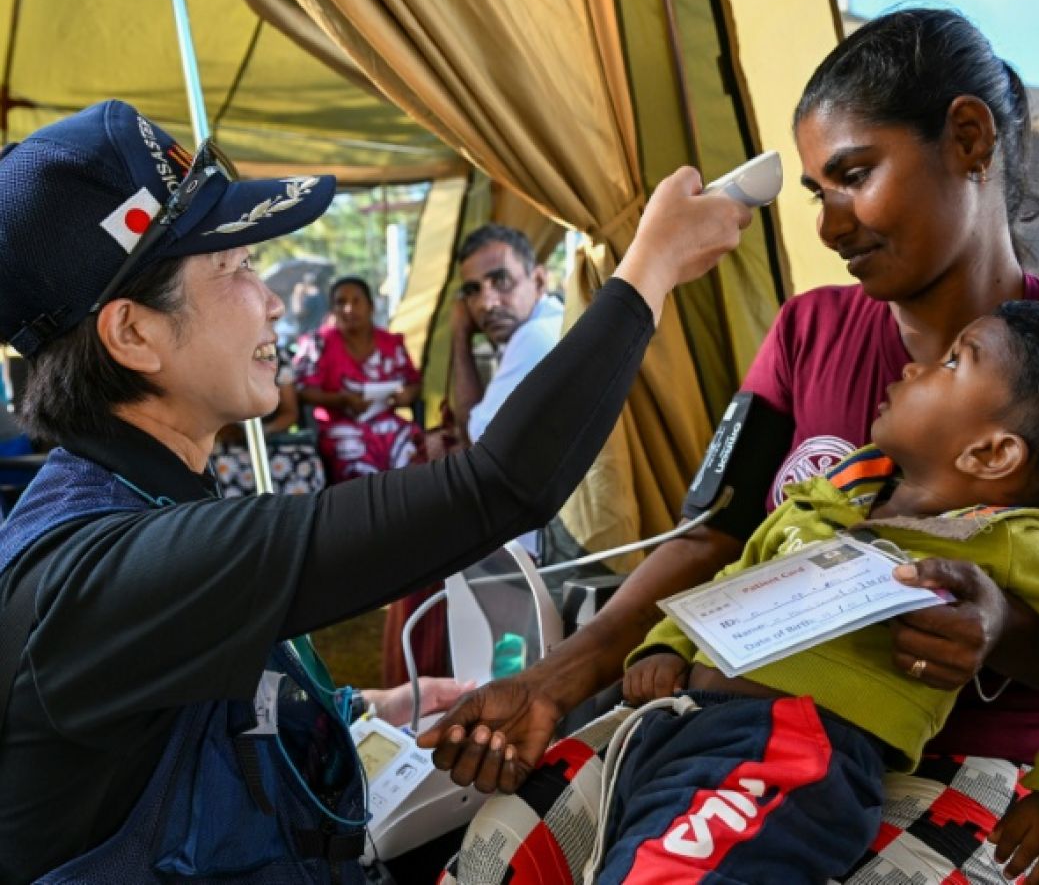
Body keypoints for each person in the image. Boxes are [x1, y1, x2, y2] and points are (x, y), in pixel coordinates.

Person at [419, 6, 1039, 869]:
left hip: (971, 760)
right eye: (818, 193)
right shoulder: (806, 332)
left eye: (855, 175)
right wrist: (552, 681)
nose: (830, 228)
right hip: (723, 723)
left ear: (969, 140)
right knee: (497, 847)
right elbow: (712, 538)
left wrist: (997, 623)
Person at [0, 99, 750, 882]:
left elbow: (169, 717)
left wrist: (361, 711)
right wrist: (651, 266)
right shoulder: (101, 570)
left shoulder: (139, 494)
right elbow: (497, 485)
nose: (272, 298)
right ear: (132, 335)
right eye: (233, 267)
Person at [606, 301, 1039, 884]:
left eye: (952, 363)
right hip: (674, 724)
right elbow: (743, 573)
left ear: (991, 453)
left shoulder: (1005, 541)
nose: (913, 368)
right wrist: (667, 643)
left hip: (792, 753)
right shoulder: (841, 488)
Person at [443, 224, 565, 558]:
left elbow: (476, 446)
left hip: (551, 550)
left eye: (501, 281)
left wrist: (459, 337)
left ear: (539, 281)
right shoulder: (552, 320)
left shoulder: (537, 335)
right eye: (472, 290)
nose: (486, 303)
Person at [294, 275, 427, 483]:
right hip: (340, 428)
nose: (349, 309)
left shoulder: (391, 343)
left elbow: (414, 382)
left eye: (356, 301)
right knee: (359, 469)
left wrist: (408, 394)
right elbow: (302, 390)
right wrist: (341, 400)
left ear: (371, 307)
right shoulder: (318, 344)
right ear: (332, 310)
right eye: (341, 302)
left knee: (419, 454)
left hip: (389, 424)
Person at [211, 353, 326, 496]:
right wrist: (222, 429)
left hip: (268, 440)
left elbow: (290, 413)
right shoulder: (213, 356)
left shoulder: (275, 355)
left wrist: (263, 431)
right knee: (218, 469)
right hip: (224, 446)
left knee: (305, 461)